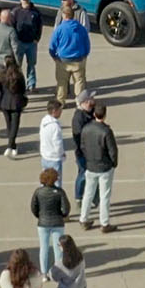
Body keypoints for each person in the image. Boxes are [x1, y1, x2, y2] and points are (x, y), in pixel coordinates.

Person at [77, 102, 118, 233]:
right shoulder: (106, 131)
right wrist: (113, 163)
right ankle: (104, 223)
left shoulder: (86, 129)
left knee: (88, 193)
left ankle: (83, 219)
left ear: (94, 114)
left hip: (91, 165)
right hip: (104, 167)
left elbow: (82, 146)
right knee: (104, 196)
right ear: (104, 115)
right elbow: (113, 150)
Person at [30, 168, 71, 279]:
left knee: (44, 248)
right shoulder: (59, 192)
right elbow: (66, 209)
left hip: (43, 223)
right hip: (57, 223)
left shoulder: (38, 192)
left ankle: (44, 273)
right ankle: (59, 272)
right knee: (58, 249)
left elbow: (33, 207)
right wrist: (61, 216)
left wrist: (40, 216)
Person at [49, 0, 91, 106]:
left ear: (64, 15)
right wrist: (85, 55)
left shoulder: (59, 29)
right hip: (79, 60)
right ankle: (80, 103)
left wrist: (54, 56)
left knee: (62, 83)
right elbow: (87, 43)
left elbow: (52, 45)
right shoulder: (81, 28)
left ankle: (61, 103)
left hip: (63, 61)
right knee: (79, 83)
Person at [0, 56, 29, 159]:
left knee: (9, 124)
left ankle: (12, 145)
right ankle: (11, 145)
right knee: (15, 125)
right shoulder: (19, 75)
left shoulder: (3, 75)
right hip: (16, 102)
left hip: (5, 102)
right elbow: (23, 89)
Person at [13, 0, 44, 89]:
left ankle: (31, 85)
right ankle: (18, 85)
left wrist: (37, 38)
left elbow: (40, 26)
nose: (26, 1)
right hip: (20, 43)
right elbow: (12, 27)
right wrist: (15, 41)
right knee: (17, 66)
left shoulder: (36, 12)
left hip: (31, 43)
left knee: (31, 65)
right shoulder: (16, 12)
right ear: (20, 0)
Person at [70, 93, 98, 197]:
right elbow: (79, 137)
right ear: (84, 102)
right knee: (82, 175)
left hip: (92, 151)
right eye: (91, 99)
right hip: (83, 153)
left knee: (93, 175)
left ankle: (93, 196)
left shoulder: (91, 112)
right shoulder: (78, 117)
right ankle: (79, 196)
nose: (93, 100)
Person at [39, 99, 67, 188]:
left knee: (45, 181)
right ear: (54, 111)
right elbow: (58, 144)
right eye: (60, 110)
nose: (61, 112)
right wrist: (62, 154)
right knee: (56, 183)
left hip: (45, 156)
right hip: (54, 158)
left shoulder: (44, 121)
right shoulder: (55, 127)